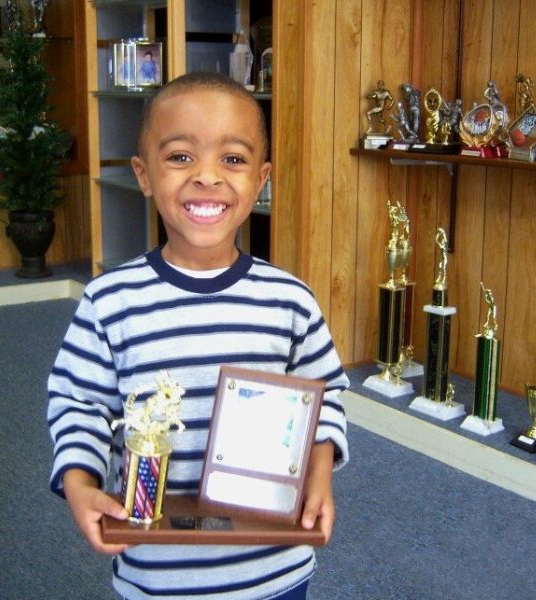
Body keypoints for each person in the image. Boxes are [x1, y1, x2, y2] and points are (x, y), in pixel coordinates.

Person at [47, 71, 349, 600]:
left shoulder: (291, 301)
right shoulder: (109, 302)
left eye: (233, 159)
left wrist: (320, 474)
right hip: (160, 576)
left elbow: (326, 400)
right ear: (143, 175)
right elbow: (78, 403)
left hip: (274, 570)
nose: (207, 177)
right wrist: (79, 484)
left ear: (262, 178)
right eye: (181, 156)